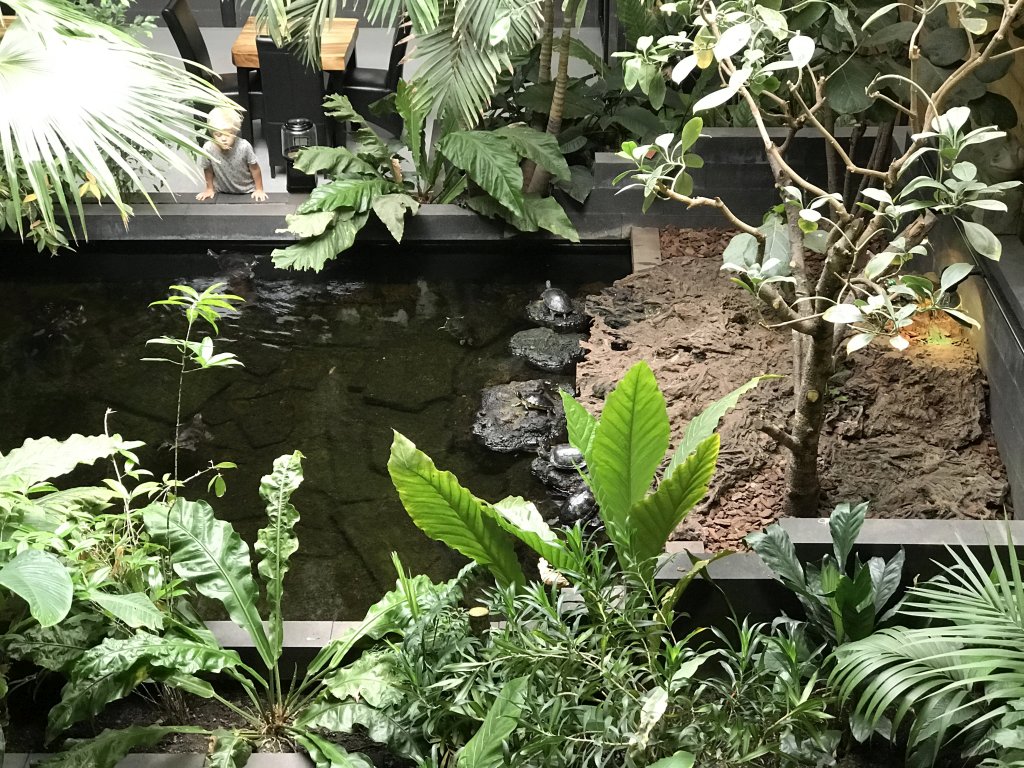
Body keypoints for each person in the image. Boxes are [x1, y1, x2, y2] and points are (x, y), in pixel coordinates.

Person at [196, 107, 268, 202]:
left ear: (235, 131)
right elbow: (208, 169)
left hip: (247, 191)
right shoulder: (208, 148)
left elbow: (255, 169)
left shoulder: (244, 146)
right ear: (212, 133)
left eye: (228, 134)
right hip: (221, 192)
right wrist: (209, 189)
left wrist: (259, 189)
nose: (224, 139)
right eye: (218, 134)